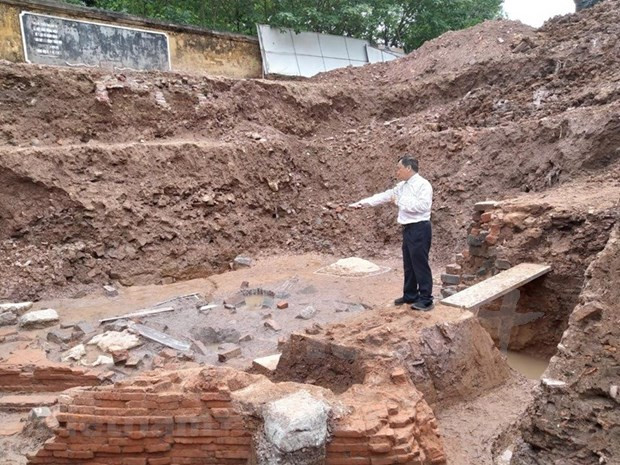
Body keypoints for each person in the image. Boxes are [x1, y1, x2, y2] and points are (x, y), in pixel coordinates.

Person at [349, 155, 434, 311]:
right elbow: (385, 196)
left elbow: (422, 206)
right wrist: (362, 203)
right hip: (408, 228)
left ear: (409, 168)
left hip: (420, 228)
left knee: (420, 264)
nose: (397, 172)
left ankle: (426, 299)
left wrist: (399, 201)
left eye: (399, 168)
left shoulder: (423, 185)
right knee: (409, 264)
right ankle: (410, 295)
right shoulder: (402, 186)